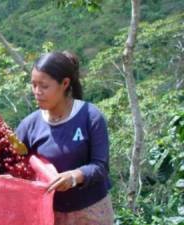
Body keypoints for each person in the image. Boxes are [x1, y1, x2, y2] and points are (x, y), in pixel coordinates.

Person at [15, 51, 114, 225]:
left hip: (91, 213)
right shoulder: (30, 125)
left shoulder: (90, 117)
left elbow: (101, 166)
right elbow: (8, 159)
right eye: (33, 85)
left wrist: (75, 176)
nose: (37, 92)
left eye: (44, 86)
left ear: (65, 83)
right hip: (51, 214)